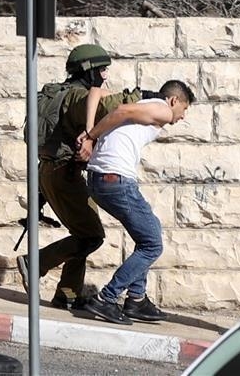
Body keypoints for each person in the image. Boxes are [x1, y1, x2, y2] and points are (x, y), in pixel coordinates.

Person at [17, 43, 148, 310]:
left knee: (82, 231)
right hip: (64, 174)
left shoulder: (52, 92)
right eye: (102, 70)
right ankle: (35, 263)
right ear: (89, 71)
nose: (105, 76)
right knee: (91, 236)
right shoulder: (78, 97)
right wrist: (144, 96)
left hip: (49, 171)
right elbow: (110, 105)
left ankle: (68, 293)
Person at [80, 80, 195, 325]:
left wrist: (90, 132)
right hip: (116, 180)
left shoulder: (141, 100)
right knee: (152, 244)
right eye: (184, 109)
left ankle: (136, 299)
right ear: (173, 100)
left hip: (100, 180)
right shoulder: (162, 109)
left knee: (148, 232)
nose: (183, 116)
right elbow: (122, 111)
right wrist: (90, 136)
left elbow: (96, 92)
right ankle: (106, 298)